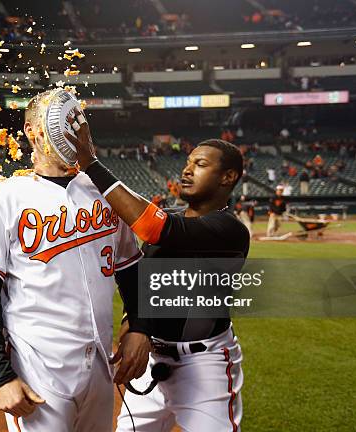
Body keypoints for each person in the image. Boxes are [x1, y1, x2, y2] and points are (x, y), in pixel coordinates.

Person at [0, 91, 150, 432]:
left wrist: (140, 325)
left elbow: (131, 269)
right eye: (56, 122)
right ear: (30, 131)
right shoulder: (3, 197)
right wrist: (0, 377)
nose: (71, 132)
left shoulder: (105, 193)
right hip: (38, 364)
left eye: (75, 122)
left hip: (99, 361)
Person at [66, 111, 250, 432]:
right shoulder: (174, 218)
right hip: (151, 360)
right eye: (188, 163)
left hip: (204, 366)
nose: (187, 170)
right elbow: (143, 279)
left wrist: (90, 163)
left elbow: (152, 227)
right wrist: (133, 323)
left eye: (201, 165)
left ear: (228, 177)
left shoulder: (229, 229)